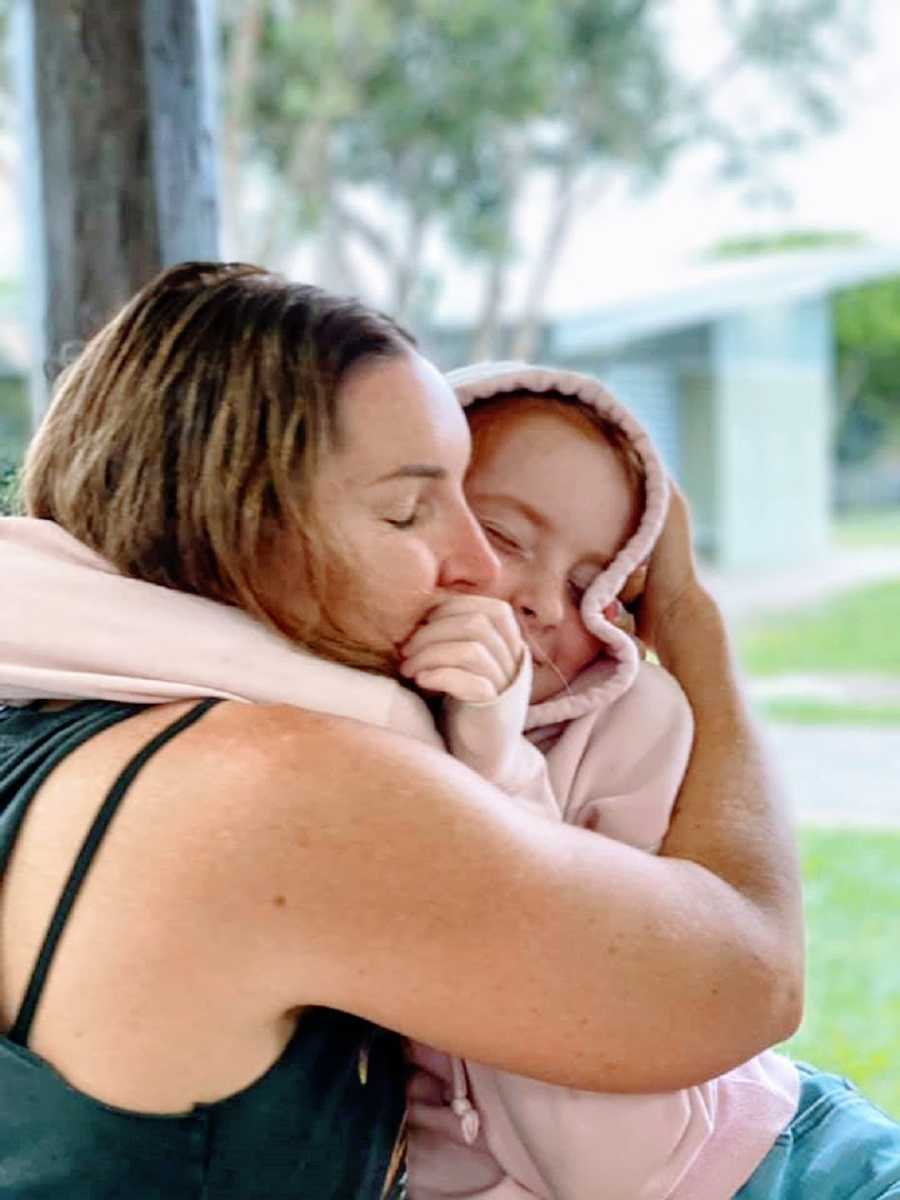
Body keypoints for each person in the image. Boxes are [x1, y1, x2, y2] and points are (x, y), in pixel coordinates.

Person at [0, 261, 805, 1197]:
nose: (474, 564)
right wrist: (697, 633)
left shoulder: (48, 712)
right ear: (239, 522)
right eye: (406, 509)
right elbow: (749, 980)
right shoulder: (278, 786)